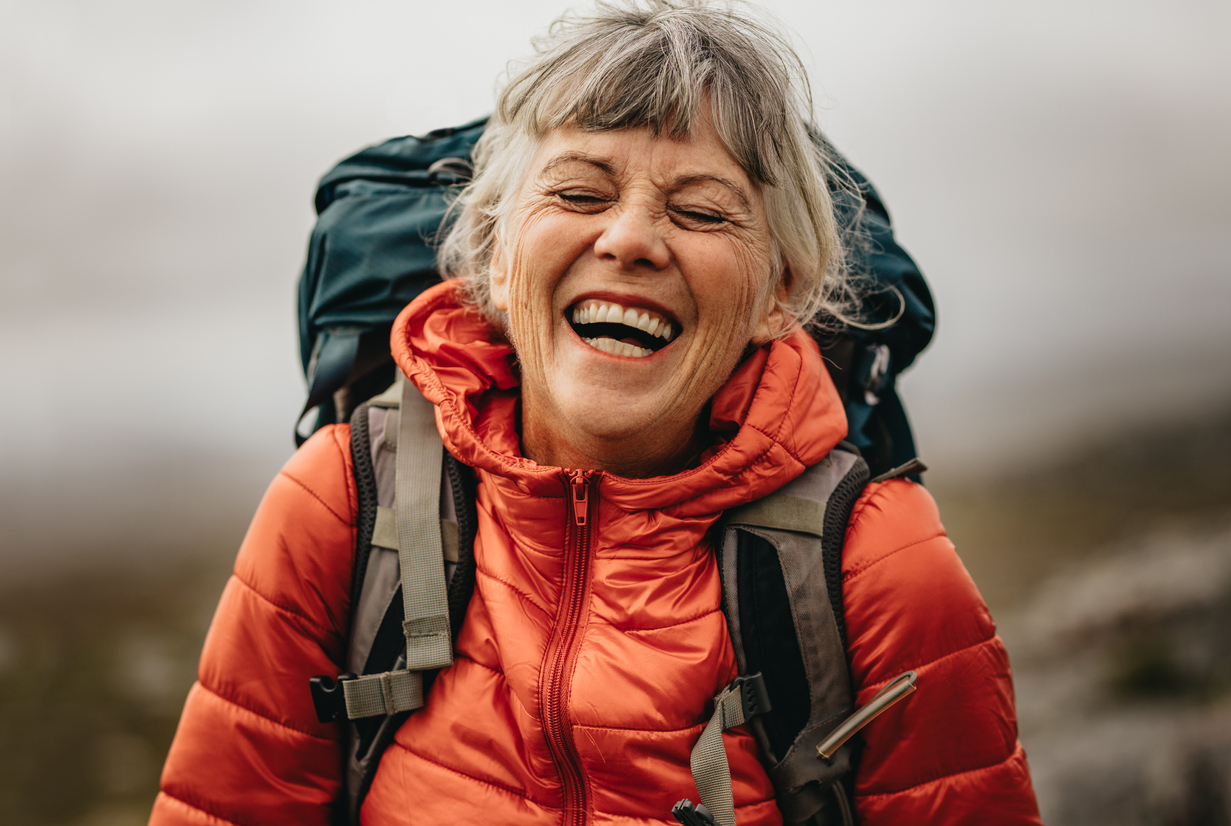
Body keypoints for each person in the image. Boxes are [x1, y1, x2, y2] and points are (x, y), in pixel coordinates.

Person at [150, 1, 1042, 824]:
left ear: (782, 294)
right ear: (495, 257)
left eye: (699, 210)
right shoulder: (342, 503)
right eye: (578, 194)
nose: (628, 239)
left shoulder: (880, 568)